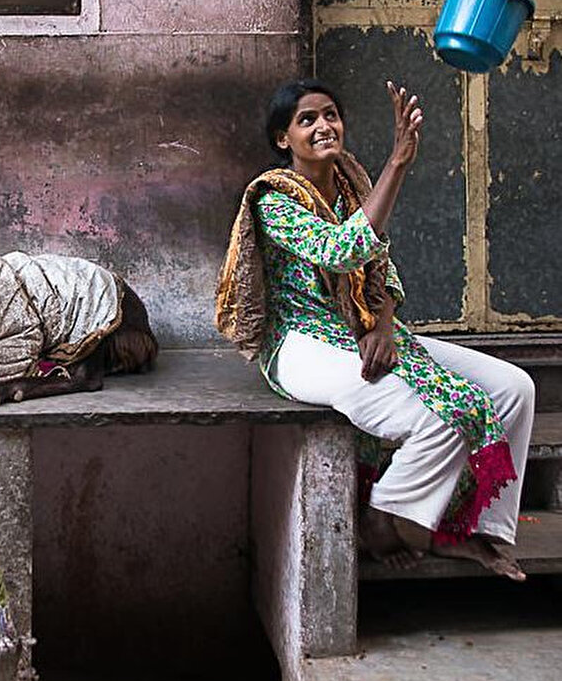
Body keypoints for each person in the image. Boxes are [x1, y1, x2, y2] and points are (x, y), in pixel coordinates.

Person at [215, 78, 534, 579]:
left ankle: (476, 527)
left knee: (515, 387)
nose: (324, 126)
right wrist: (398, 162)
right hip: (303, 345)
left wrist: (383, 326)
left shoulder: (352, 187)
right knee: (442, 414)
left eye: (330, 115)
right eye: (307, 119)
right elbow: (341, 251)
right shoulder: (272, 200)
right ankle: (382, 517)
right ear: (284, 140)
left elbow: (384, 270)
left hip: (364, 332)